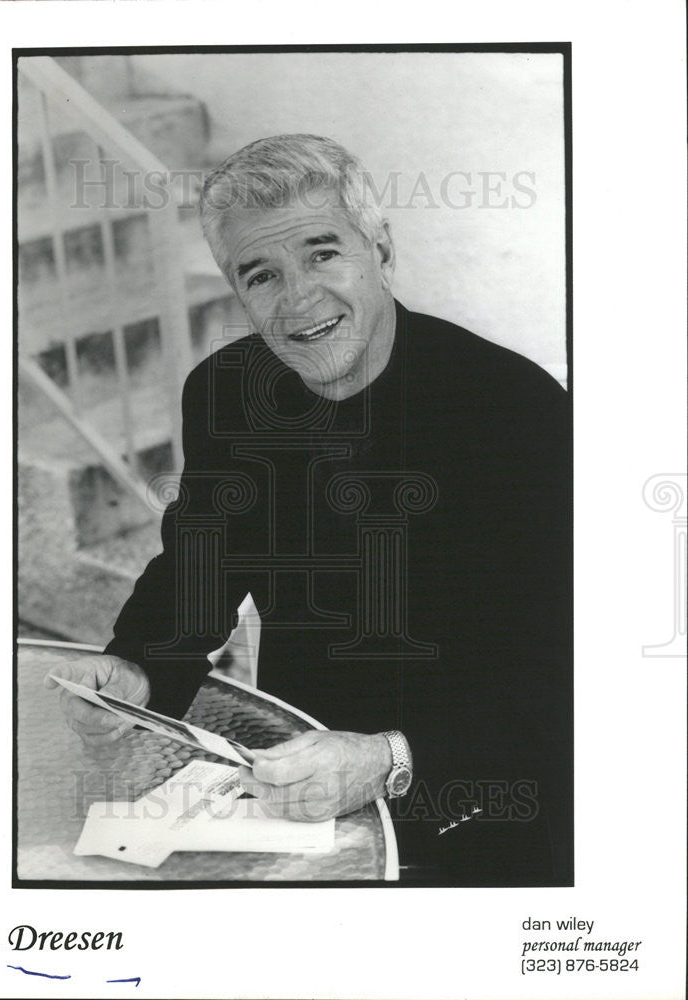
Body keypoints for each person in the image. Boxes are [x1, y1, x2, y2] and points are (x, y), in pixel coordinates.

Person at [46, 134, 572, 885]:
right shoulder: (227, 391)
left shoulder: (517, 410)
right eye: (261, 275)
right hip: (290, 790)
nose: (298, 299)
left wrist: (389, 759)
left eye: (323, 254)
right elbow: (199, 567)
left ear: (380, 245)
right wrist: (136, 669)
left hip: (485, 811)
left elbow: (567, 672)